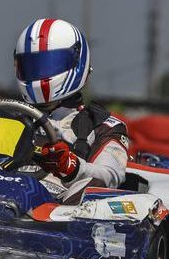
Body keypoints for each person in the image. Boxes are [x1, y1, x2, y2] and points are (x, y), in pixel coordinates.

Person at [13, 18, 129, 204]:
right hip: (4, 192)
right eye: (32, 66)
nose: (40, 73)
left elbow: (110, 176)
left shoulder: (102, 125)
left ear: (77, 62)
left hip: (56, 208)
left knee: (93, 185)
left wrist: (71, 167)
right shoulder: (11, 117)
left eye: (48, 65)